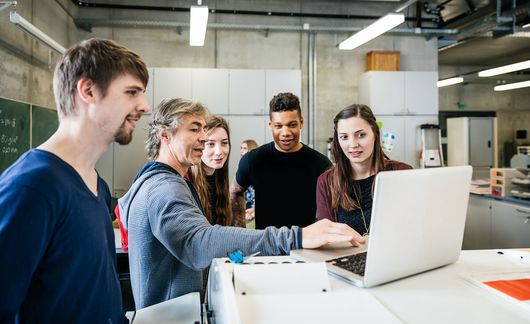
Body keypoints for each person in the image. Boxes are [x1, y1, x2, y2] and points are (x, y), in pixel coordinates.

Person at [118, 98, 363, 309]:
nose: (204, 138)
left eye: (204, 130)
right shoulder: (164, 187)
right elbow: (199, 243)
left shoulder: (162, 181)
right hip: (171, 316)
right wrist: (295, 237)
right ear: (165, 136)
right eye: (194, 129)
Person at [0, 38, 149, 323]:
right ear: (88, 90)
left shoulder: (97, 185)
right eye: (132, 92)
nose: (144, 105)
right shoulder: (33, 187)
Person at [230, 92, 332, 229]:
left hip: (307, 247)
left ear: (301, 122)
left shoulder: (321, 164)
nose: (285, 133)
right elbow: (235, 191)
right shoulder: (253, 160)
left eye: (292, 125)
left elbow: (334, 204)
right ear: (270, 124)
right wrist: (240, 230)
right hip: (266, 246)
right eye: (278, 126)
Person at [316, 104, 412, 236]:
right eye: (344, 137)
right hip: (346, 256)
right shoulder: (326, 182)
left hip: (394, 255)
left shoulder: (402, 173)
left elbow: (415, 227)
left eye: (361, 135)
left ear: (375, 134)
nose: (353, 144)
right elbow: (326, 237)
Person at [189, 116, 243, 226]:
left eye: (224, 143)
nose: (219, 152)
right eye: (210, 144)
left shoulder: (220, 179)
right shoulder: (187, 183)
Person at [239, 139, 258, 224]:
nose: (241, 151)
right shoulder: (243, 170)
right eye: (241, 148)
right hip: (247, 212)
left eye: (244, 148)